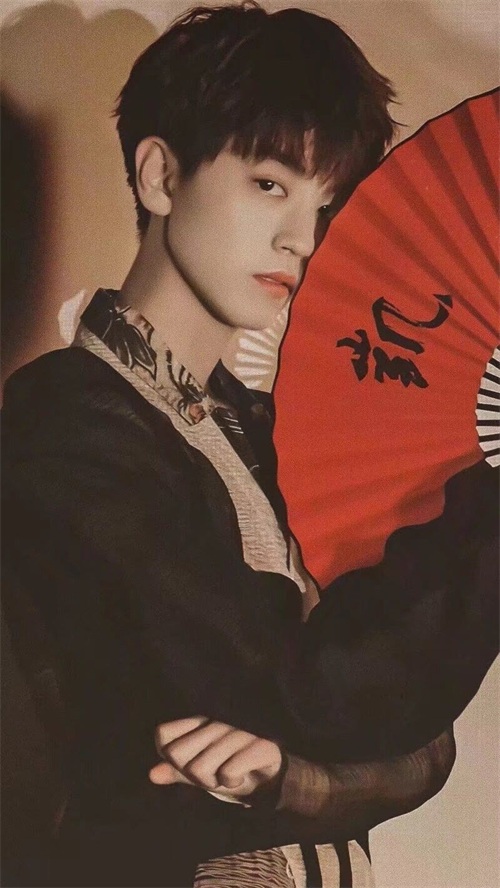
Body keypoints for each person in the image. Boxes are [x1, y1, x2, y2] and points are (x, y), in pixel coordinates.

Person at [2, 3, 497, 886]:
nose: (301, 239)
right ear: (160, 175)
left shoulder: (268, 439)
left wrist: (293, 774)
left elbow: (424, 746)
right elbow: (314, 697)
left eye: (325, 203)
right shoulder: (68, 429)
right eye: (271, 184)